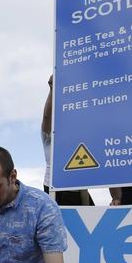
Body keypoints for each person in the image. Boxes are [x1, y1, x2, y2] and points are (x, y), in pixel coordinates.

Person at [42, 74, 94, 205]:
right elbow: (47, 116)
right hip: (53, 189)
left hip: (78, 191)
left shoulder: (78, 139)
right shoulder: (49, 138)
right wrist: (52, 90)